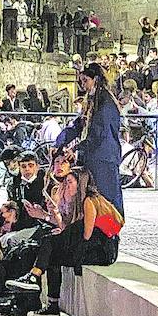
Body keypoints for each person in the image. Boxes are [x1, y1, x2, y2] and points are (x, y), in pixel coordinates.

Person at [17, 166, 123, 316]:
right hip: (89, 247)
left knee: (52, 241)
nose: (66, 186)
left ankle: (34, 276)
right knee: (51, 254)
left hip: (102, 252)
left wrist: (64, 238)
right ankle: (52, 305)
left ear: (81, 184)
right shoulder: (78, 202)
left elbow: (86, 235)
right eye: (66, 182)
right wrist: (53, 218)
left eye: (70, 182)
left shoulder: (90, 201)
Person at [56, 63, 125, 214]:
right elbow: (78, 125)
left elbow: (99, 134)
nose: (83, 85)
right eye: (81, 81)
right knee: (92, 199)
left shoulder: (106, 102)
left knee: (106, 198)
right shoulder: (91, 101)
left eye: (85, 81)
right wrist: (59, 142)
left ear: (96, 79)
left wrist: (76, 148)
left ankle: (111, 227)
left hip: (104, 157)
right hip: (92, 156)